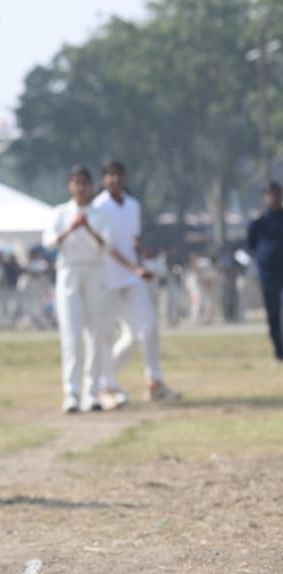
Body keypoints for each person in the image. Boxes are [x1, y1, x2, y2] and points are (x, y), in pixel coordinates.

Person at [43, 166, 150, 413]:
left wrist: (87, 227)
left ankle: (92, 393)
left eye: (84, 183)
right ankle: (71, 393)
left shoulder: (100, 215)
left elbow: (107, 246)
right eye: (76, 183)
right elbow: (49, 243)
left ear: (91, 187)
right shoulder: (60, 213)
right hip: (69, 272)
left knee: (97, 334)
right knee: (71, 336)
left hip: (95, 272)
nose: (81, 188)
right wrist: (71, 227)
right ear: (70, 186)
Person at [94, 162, 180, 406]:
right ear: (103, 180)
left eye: (117, 175)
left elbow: (132, 239)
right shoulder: (98, 207)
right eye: (109, 176)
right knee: (109, 334)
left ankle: (154, 380)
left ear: (124, 178)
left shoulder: (133, 206)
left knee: (147, 327)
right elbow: (107, 247)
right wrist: (136, 267)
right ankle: (105, 385)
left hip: (132, 277)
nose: (113, 180)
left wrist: (143, 255)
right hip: (108, 278)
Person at [246, 181, 283, 362]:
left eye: (275, 194)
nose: (272, 198)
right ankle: (278, 349)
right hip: (268, 273)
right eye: (269, 194)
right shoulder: (258, 220)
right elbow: (251, 243)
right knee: (273, 312)